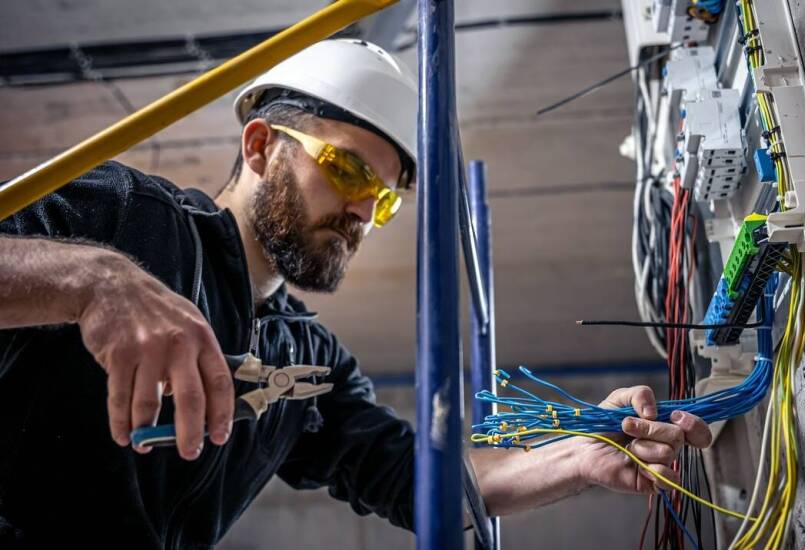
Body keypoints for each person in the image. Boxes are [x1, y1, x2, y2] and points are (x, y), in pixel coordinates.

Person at [0, 39, 712, 548]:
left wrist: (579, 455)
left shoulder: (308, 360)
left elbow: (417, 481)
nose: (363, 214)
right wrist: (93, 281)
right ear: (259, 146)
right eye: (345, 170)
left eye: (385, 199)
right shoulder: (128, 217)